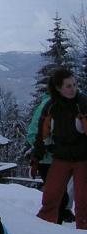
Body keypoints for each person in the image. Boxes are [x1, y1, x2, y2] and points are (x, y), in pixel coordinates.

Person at [32, 69, 87, 230]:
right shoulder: (51, 107)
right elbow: (42, 134)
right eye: (68, 86)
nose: (73, 89)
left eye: (74, 85)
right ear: (58, 88)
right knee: (50, 197)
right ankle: (45, 231)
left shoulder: (82, 105)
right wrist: (36, 158)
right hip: (61, 157)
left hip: (82, 158)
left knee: (83, 200)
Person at [27, 94, 75, 223]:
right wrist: (47, 147)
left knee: (59, 198)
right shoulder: (47, 105)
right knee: (58, 198)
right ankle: (45, 226)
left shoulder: (72, 104)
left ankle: (50, 227)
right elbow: (32, 133)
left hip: (62, 159)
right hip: (46, 160)